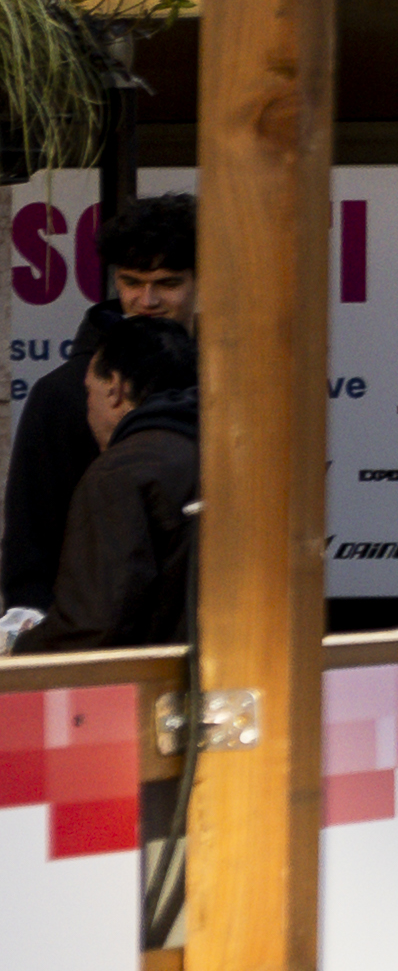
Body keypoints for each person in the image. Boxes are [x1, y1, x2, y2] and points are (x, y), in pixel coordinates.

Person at [5, 195, 190, 635]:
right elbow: (31, 544)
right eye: (131, 282)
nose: (147, 299)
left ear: (204, 281)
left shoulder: (240, 382)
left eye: (167, 283)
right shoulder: (63, 393)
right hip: (89, 642)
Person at [54, 309, 199, 652]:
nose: (86, 409)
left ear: (115, 389)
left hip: (153, 691)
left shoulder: (119, 473)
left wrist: (20, 654)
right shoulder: (231, 456)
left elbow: (94, 625)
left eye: (89, 392)